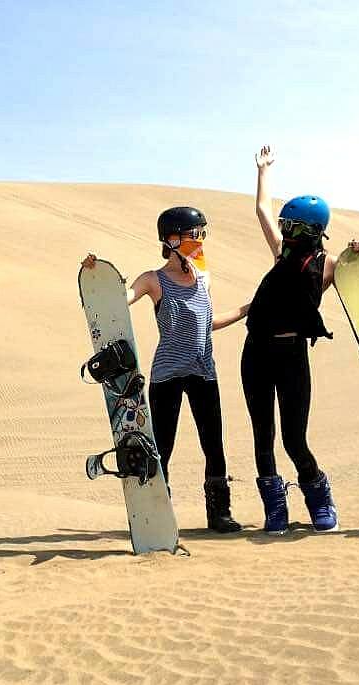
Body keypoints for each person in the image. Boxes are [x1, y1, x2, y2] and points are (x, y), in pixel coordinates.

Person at [82, 207, 245, 532]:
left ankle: (219, 513)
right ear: (171, 239)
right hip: (167, 375)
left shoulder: (203, 278)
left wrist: (247, 309)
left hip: (203, 372)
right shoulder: (153, 280)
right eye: (194, 235)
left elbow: (207, 323)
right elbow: (118, 302)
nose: (200, 241)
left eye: (202, 234)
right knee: (162, 448)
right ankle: (159, 512)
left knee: (213, 445)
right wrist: (96, 275)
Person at [240, 145, 359, 533]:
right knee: (263, 437)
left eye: (292, 227)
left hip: (292, 356)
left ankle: (318, 494)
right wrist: (263, 170)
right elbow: (261, 210)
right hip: (256, 354)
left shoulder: (329, 265)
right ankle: (275, 507)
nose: (286, 232)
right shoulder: (281, 253)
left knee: (294, 439)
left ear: (310, 230)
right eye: (285, 225)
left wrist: (356, 256)